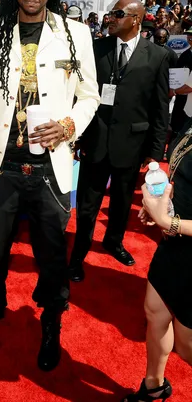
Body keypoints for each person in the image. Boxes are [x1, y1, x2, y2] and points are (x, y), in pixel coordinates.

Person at [0, 0, 100, 371]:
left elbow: (91, 95)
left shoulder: (75, 34)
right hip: (1, 166)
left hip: (50, 169)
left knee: (53, 258)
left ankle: (51, 324)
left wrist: (68, 126)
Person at [68, 0, 170, 281]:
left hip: (132, 144)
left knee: (122, 201)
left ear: (136, 19)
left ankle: (114, 241)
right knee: (88, 204)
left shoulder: (157, 56)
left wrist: (155, 149)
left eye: (117, 14)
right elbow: (80, 95)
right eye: (110, 14)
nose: (109, 19)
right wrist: (77, 134)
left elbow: (159, 107)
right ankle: (79, 252)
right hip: (96, 141)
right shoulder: (96, 48)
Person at [122, 118, 192, 402]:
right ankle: (154, 386)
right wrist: (164, 201)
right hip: (174, 245)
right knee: (155, 311)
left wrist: (168, 220)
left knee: (187, 348)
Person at [170, 27, 192, 133]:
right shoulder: (185, 54)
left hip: (188, 95)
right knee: (177, 126)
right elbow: (176, 72)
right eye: (189, 35)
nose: (190, 38)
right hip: (181, 96)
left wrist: (173, 91)